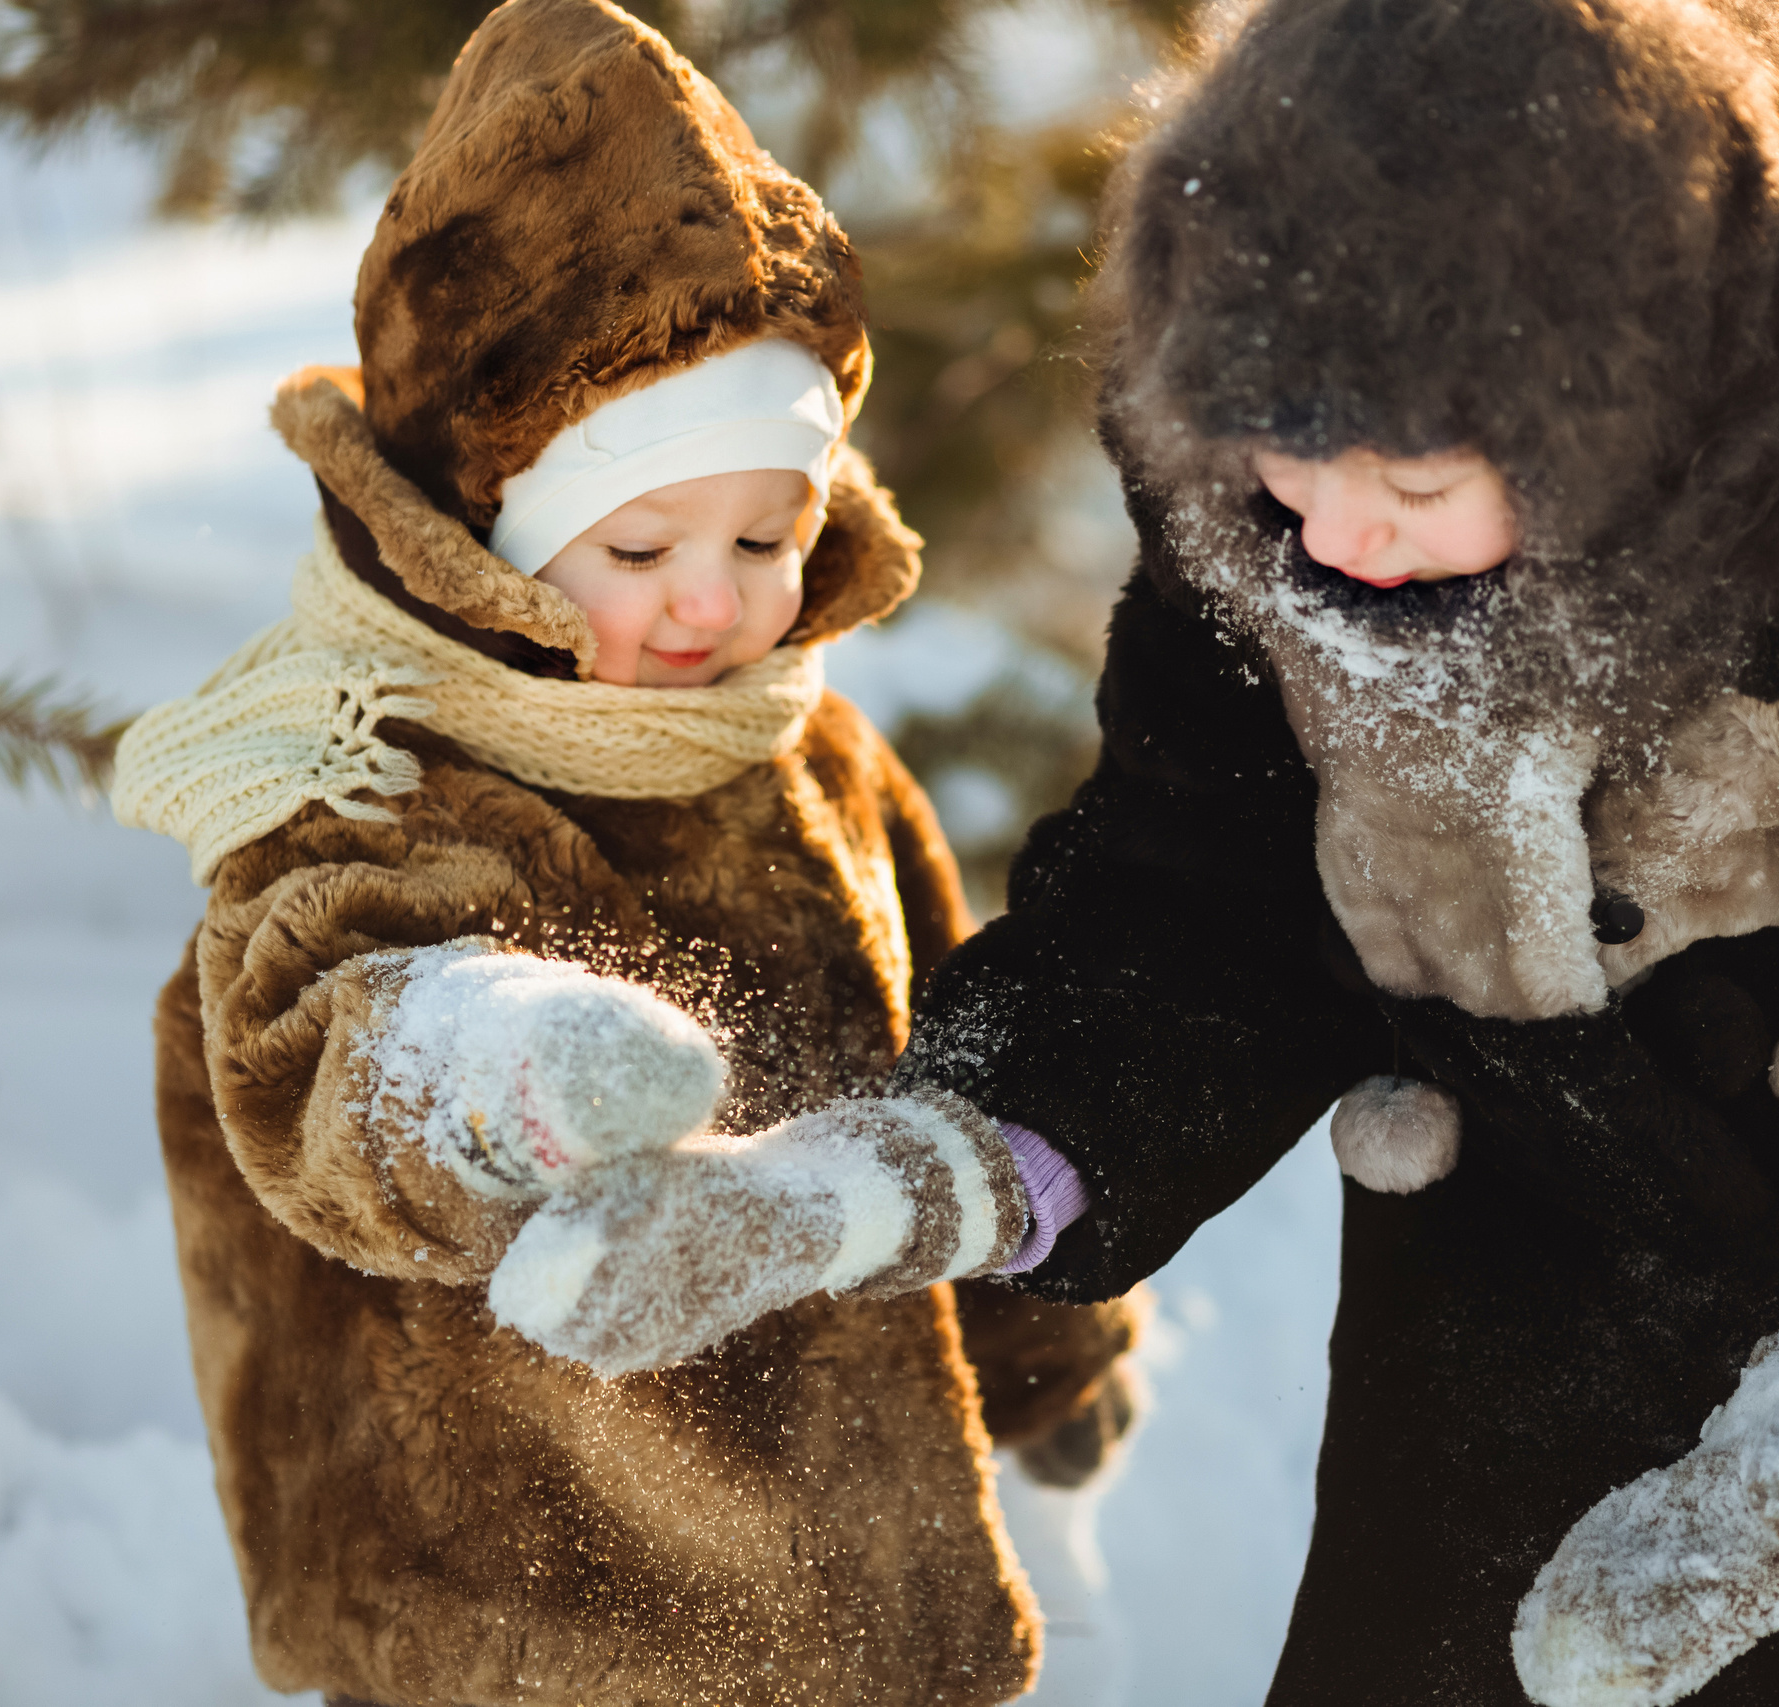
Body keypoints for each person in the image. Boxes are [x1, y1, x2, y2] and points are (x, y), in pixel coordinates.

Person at [489, 0, 1779, 1699]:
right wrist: (889, 1183)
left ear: (1625, 395)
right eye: (1290, 463)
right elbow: (1187, 907)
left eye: (1416, 480)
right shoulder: (1265, 522)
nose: (1338, 536)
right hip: (1501, 1364)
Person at [111, 2, 1141, 1700]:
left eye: (766, 532)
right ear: (493, 528)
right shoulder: (373, 770)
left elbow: (946, 1052)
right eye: (642, 537)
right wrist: (499, 1067)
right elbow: (317, 1038)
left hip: (849, 1571)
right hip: (524, 1609)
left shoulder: (804, 742)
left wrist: (1045, 1338)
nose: (713, 597)